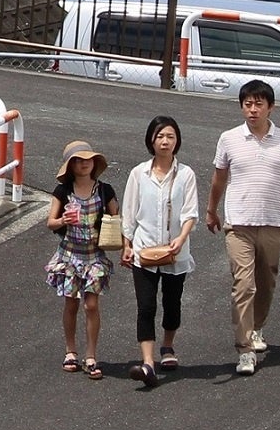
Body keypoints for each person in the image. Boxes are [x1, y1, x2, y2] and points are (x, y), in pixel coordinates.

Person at [205, 80, 280, 377]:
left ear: (270, 107)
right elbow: (219, 178)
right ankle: (244, 350)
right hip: (238, 223)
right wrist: (211, 210)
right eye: (247, 104)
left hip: (273, 222)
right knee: (243, 284)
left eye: (258, 104)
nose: (252, 110)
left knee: (266, 283)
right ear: (241, 106)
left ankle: (256, 328)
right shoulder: (228, 138)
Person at [121, 116, 198, 389]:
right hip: (144, 249)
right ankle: (147, 363)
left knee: (172, 302)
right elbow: (129, 213)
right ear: (151, 141)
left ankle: (168, 346)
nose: (165, 141)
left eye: (170, 137)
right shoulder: (138, 173)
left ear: (177, 141)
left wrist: (181, 238)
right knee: (146, 306)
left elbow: (191, 213)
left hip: (176, 251)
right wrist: (127, 245)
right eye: (160, 136)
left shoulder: (186, 174)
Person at [46, 140, 119, 378]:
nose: (84, 164)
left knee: (91, 304)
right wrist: (65, 221)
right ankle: (71, 351)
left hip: (94, 255)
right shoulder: (63, 191)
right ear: (70, 166)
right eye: (78, 160)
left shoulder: (105, 190)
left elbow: (117, 219)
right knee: (71, 303)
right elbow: (51, 222)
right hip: (69, 255)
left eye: (87, 159)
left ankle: (91, 355)